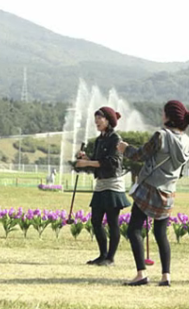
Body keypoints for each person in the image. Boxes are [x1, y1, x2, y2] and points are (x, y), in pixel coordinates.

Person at [117, 100, 189, 286]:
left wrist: (124, 149)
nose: (162, 115)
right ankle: (165, 276)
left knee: (134, 229)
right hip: (169, 191)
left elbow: (140, 155)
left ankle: (141, 274)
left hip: (150, 189)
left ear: (168, 117)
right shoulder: (188, 142)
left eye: (163, 113)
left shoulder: (161, 136)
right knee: (161, 233)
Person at [75, 106, 131, 266]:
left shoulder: (115, 139)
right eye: (96, 119)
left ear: (108, 121)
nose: (97, 121)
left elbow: (112, 163)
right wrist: (87, 158)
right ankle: (102, 255)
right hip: (100, 184)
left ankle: (110, 258)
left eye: (100, 118)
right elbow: (98, 160)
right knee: (96, 221)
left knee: (113, 222)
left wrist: (86, 162)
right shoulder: (100, 139)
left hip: (113, 184)